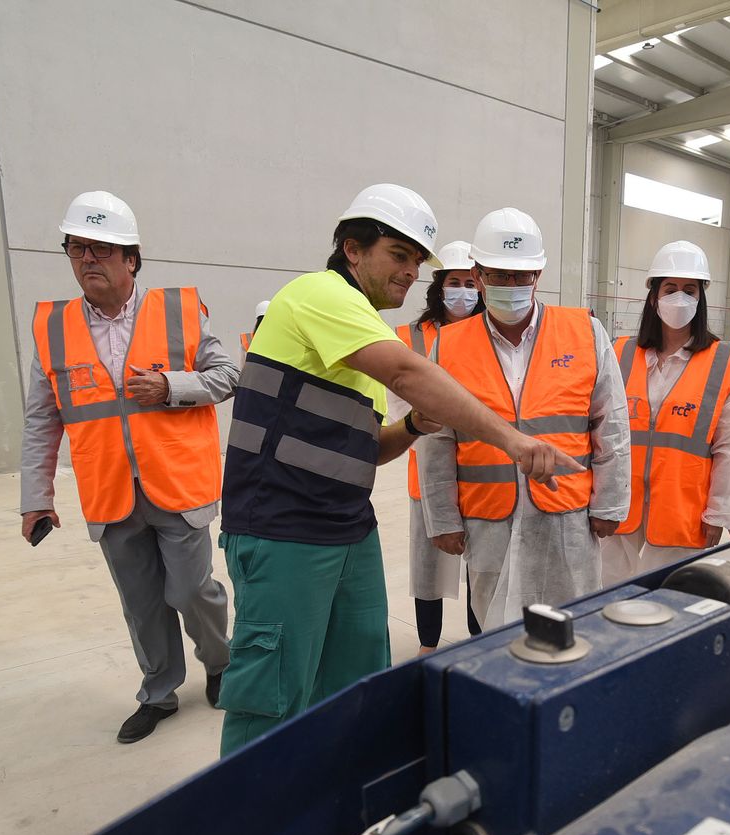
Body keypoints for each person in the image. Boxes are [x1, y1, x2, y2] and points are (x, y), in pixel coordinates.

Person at [216, 185, 581, 754]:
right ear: (352, 249)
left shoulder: (362, 329)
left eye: (418, 260)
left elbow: (367, 448)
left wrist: (413, 429)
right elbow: (409, 375)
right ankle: (247, 823)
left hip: (346, 528)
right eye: (399, 254)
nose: (412, 271)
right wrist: (513, 441)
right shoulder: (318, 294)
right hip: (282, 528)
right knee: (275, 692)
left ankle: (336, 802)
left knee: (356, 681)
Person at [20, 191, 236, 743]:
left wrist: (172, 387)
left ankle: (219, 664)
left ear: (131, 259)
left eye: (101, 249)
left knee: (191, 591)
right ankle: (158, 693)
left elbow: (228, 376)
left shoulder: (179, 311)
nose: (87, 259)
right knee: (140, 605)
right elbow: (42, 420)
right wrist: (35, 498)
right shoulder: (54, 328)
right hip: (109, 489)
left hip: (177, 482)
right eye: (77, 249)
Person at [418, 207, 631, 629]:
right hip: (486, 520)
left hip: (567, 519)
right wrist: (442, 518)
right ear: (478, 276)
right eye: (499, 275)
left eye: (521, 276)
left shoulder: (584, 332)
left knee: (572, 628)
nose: (511, 286)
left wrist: (610, 503)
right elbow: (436, 438)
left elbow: (613, 426)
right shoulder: (450, 344)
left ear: (539, 275)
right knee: (494, 632)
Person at [600, 240, 730, 585]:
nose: (679, 298)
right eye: (670, 288)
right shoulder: (621, 352)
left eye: (690, 289)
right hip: (619, 507)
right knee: (607, 598)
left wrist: (721, 512)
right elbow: (600, 429)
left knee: (669, 600)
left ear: (701, 298)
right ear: (653, 296)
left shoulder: (724, 363)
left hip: (683, 511)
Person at [390, 240, 483, 655]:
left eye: (469, 282)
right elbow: (399, 406)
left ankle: (480, 643)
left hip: (484, 469)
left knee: (481, 566)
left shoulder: (491, 335)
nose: (461, 291)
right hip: (426, 470)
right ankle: (428, 648)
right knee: (428, 567)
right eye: (453, 282)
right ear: (439, 285)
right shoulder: (409, 337)